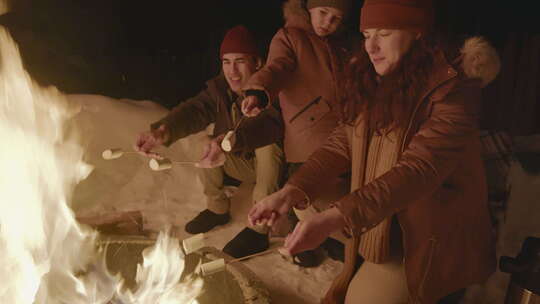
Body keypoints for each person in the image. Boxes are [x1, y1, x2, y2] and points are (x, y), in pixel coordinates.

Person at [248, 0, 501, 302]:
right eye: (367, 34)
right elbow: (342, 141)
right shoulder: (375, 77)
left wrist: (337, 216)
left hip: (424, 236)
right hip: (383, 213)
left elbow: (419, 169)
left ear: (417, 33)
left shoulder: (454, 88)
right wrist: (291, 190)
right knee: (305, 203)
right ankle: (363, 257)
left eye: (383, 33)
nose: (371, 47)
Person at [135, 25, 285, 258]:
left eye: (240, 61)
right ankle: (217, 209)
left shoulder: (270, 89)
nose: (232, 71)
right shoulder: (221, 90)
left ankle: (258, 230)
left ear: (257, 62)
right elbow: (195, 110)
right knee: (201, 139)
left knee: (268, 146)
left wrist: (227, 142)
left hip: (278, 173)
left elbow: (269, 126)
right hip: (241, 162)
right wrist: (162, 131)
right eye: (226, 62)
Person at [235, 0, 358, 266]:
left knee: (344, 197)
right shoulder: (290, 38)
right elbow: (276, 68)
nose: (328, 22)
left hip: (345, 138)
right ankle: (311, 236)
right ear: (309, 7)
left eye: (336, 18)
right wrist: (257, 91)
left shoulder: (345, 45)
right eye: (323, 12)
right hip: (307, 139)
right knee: (309, 196)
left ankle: (329, 239)